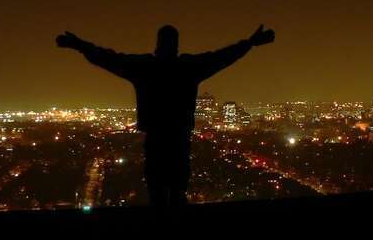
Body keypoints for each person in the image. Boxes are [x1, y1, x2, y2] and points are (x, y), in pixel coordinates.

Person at [56, 24, 275, 214]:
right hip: (179, 139)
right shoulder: (187, 67)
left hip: (156, 138)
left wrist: (79, 45)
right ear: (176, 44)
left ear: (157, 43)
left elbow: (108, 58)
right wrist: (250, 43)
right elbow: (223, 57)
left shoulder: (145, 67)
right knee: (177, 191)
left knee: (157, 192)